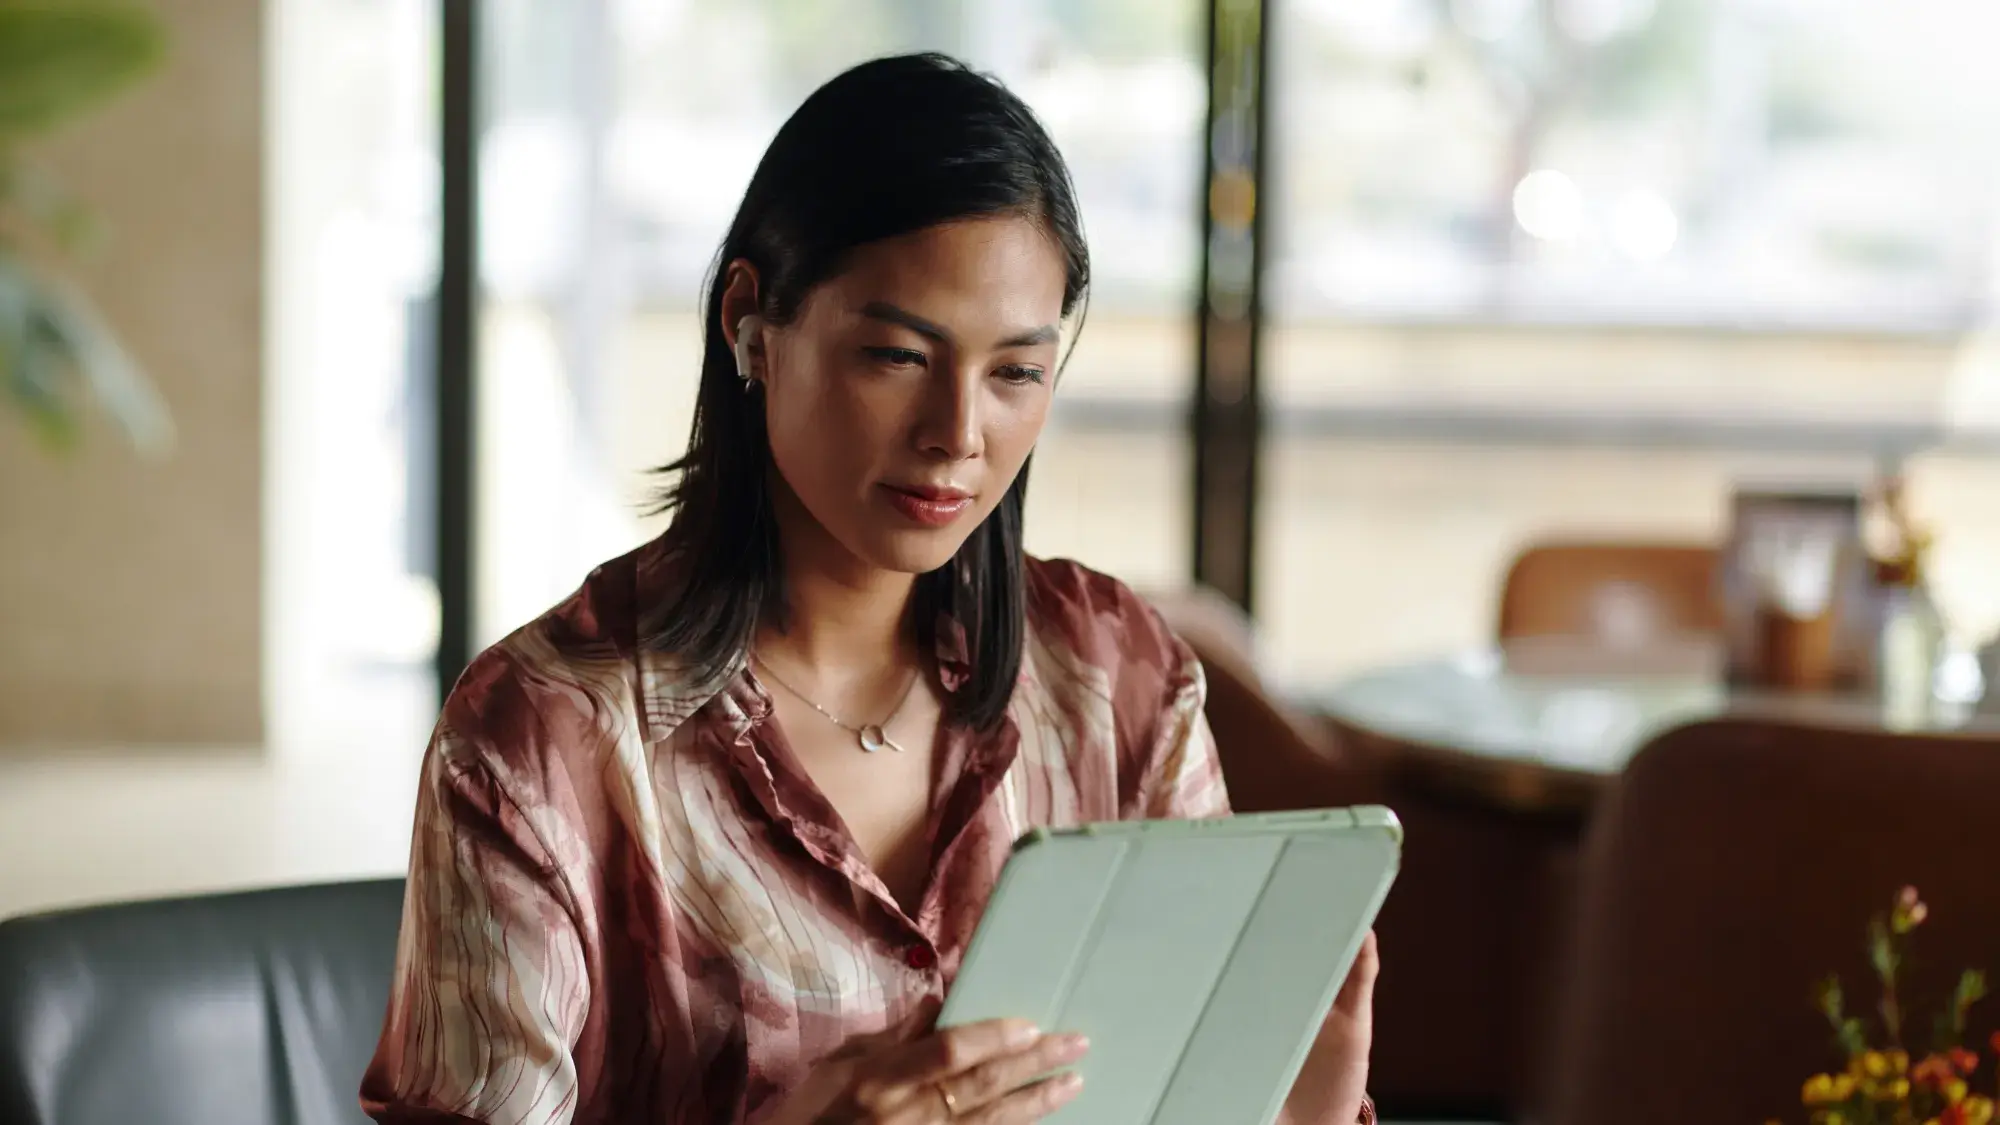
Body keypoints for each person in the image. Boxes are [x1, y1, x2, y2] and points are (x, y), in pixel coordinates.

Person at [361, 52, 1376, 1125]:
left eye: (1016, 373)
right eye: (896, 355)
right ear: (750, 319)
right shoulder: (544, 740)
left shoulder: (1111, 677)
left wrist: (1293, 1108)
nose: (957, 435)